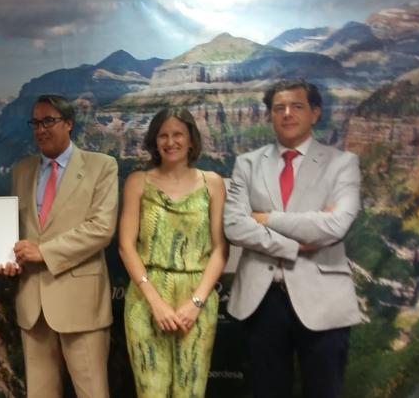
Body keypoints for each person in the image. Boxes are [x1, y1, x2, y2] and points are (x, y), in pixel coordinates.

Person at [224, 79, 362, 398]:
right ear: (270, 115)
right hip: (261, 302)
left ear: (315, 113)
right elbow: (234, 225)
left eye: (297, 106)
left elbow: (334, 226)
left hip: (324, 300)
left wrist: (266, 218)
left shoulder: (342, 164)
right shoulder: (247, 164)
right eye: (278, 108)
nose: (287, 114)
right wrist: (295, 243)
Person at [0, 94, 119, 398]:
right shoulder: (21, 170)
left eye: (49, 120)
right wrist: (8, 257)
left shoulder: (101, 166)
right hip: (32, 304)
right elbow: (18, 231)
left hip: (80, 303)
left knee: (92, 391)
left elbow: (101, 228)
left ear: (69, 124)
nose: (41, 129)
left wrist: (44, 252)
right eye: (35, 122)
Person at [118, 108, 228, 398]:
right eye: (162, 135)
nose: (170, 142)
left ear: (191, 139)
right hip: (146, 297)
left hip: (198, 298)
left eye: (177, 134)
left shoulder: (212, 183)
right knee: (150, 390)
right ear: (154, 141)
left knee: (190, 390)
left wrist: (196, 302)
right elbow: (126, 246)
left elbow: (220, 250)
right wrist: (156, 303)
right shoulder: (137, 182)